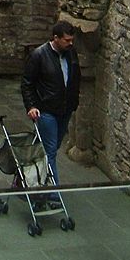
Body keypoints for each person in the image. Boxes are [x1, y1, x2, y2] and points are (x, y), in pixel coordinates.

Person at [20, 20, 81, 199]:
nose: (70, 44)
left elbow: (73, 78)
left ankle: (28, 180)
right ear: (56, 38)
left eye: (71, 41)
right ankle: (53, 193)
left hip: (65, 108)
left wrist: (73, 100)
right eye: (67, 40)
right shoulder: (39, 55)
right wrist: (31, 106)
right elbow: (27, 83)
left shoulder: (71, 54)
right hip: (46, 110)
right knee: (50, 149)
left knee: (52, 148)